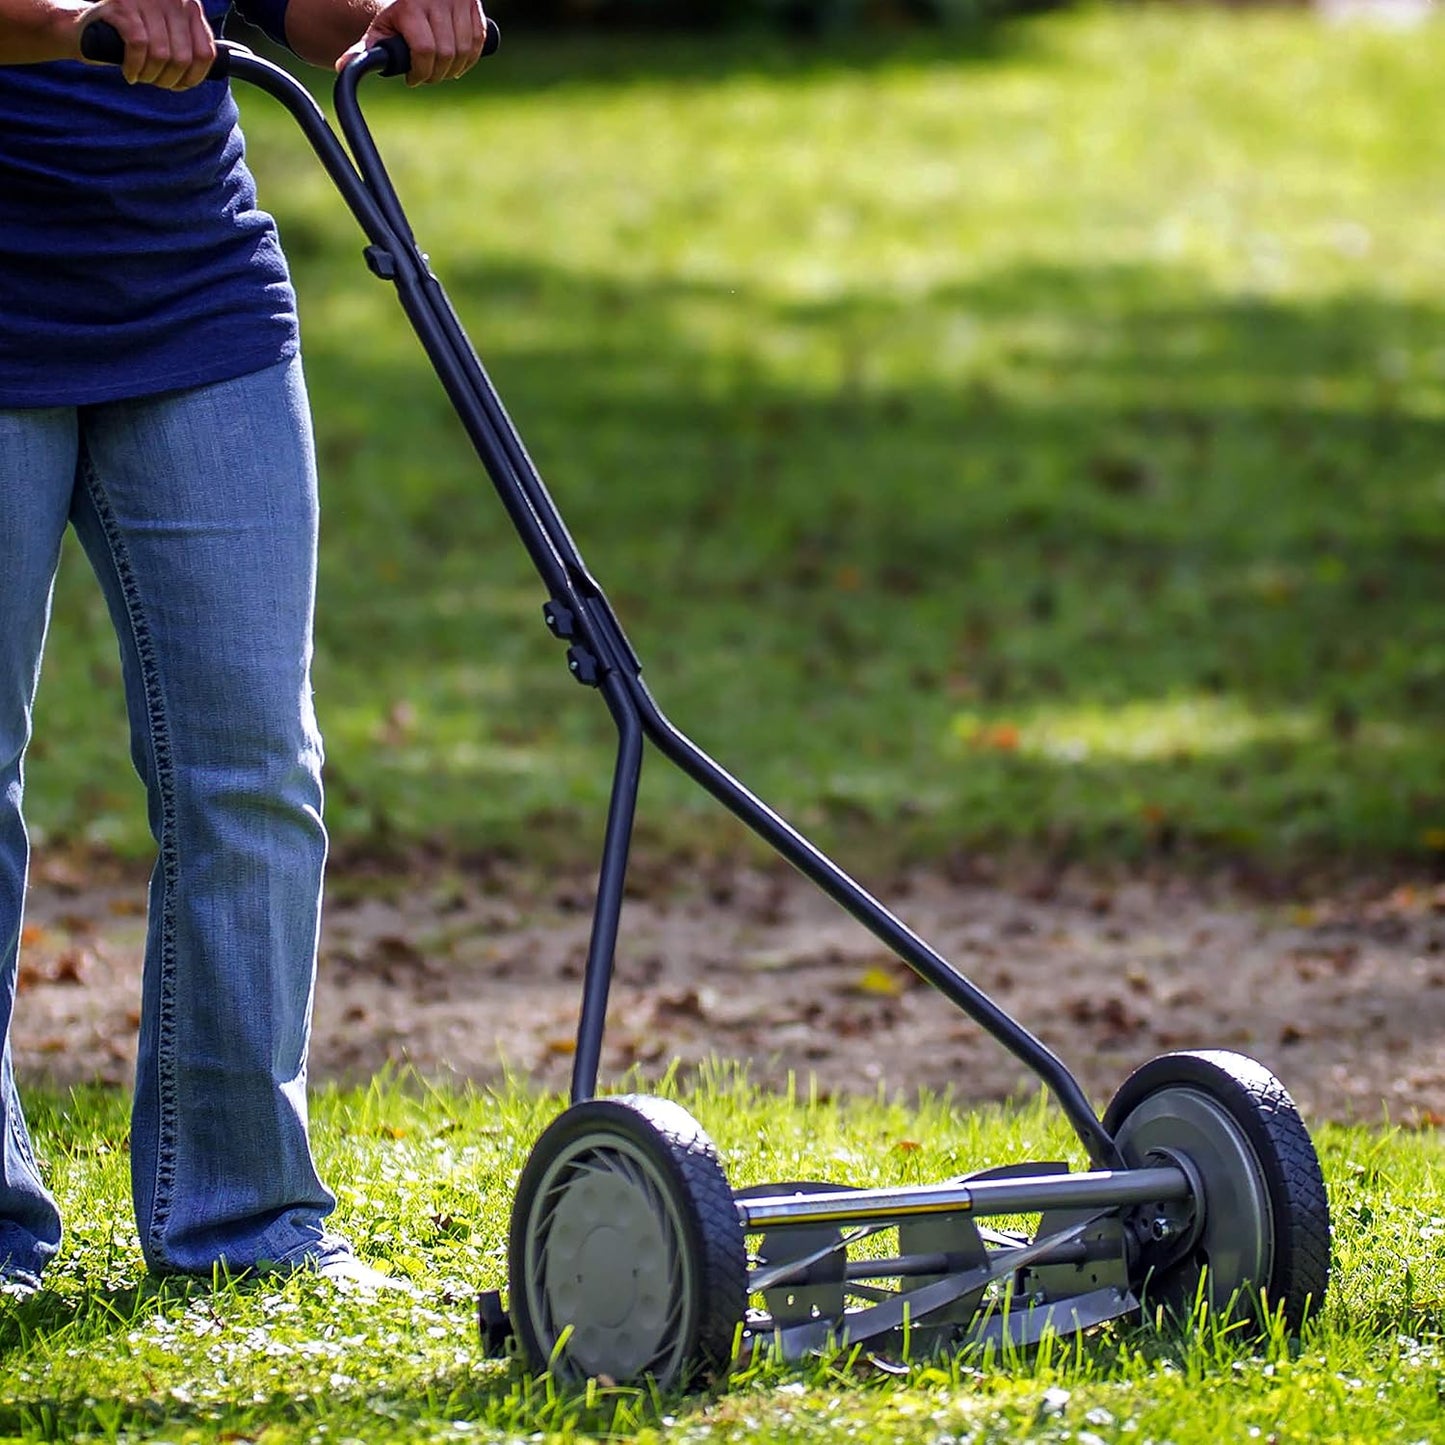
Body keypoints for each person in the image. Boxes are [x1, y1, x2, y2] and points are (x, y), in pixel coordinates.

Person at [0, 0, 487, 1293]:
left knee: (254, 771)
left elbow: (286, 6)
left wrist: (385, 8)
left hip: (191, 284)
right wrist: (76, 20)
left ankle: (241, 1216)